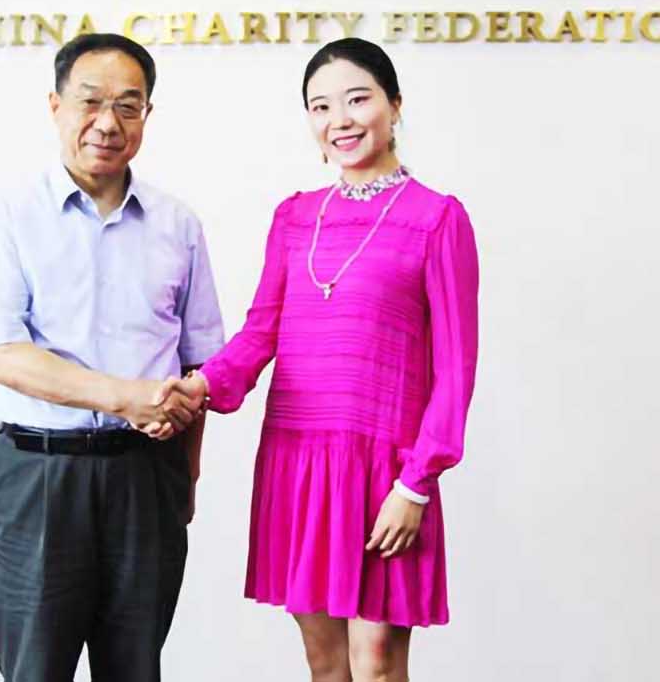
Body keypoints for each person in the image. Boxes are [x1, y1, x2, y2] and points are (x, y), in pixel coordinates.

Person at [166, 38, 479, 682]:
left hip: (386, 469)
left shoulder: (437, 219)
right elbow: (261, 333)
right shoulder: (294, 218)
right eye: (321, 106)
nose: (340, 119)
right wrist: (197, 387)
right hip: (300, 462)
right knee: (326, 664)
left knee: (378, 663)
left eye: (358, 99)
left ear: (395, 105)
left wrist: (416, 484)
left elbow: (456, 370)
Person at [0, 33, 224, 682]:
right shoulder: (8, 215)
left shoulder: (178, 225)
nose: (108, 123)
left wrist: (184, 477)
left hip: (146, 480)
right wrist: (125, 397)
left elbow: (200, 365)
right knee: (35, 668)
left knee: (135, 667)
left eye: (129, 106)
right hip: (40, 476)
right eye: (90, 102)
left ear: (147, 115)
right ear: (55, 106)